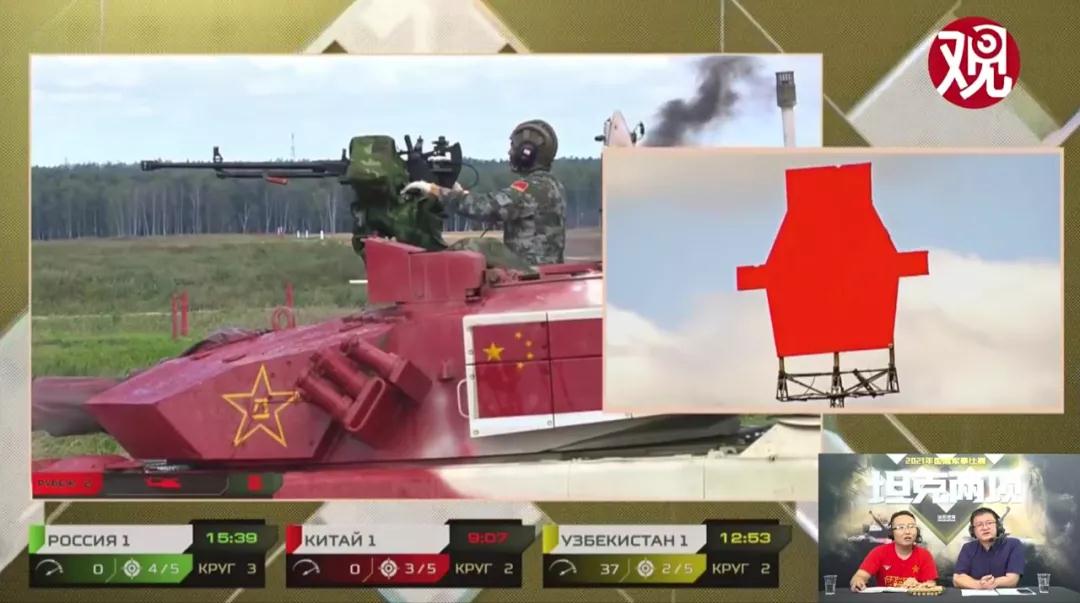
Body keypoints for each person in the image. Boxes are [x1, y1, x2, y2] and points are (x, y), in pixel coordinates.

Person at [401, 119, 567, 267]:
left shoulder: (532, 187)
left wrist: (435, 191)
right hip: (541, 269)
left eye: (513, 147)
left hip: (529, 271)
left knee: (468, 248)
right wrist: (458, 193)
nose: (510, 152)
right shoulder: (551, 184)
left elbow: (488, 207)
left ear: (527, 154)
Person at [850, 510, 939, 591]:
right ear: (892, 532)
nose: (907, 532)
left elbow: (930, 584)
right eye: (901, 527)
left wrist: (917, 585)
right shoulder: (879, 552)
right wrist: (858, 582)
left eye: (911, 527)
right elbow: (859, 576)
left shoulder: (925, 555)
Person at [953, 508, 1025, 589]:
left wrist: (992, 583)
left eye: (989, 523)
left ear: (998, 526)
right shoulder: (968, 548)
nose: (985, 528)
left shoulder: (1013, 544)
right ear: (973, 531)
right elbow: (958, 578)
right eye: (979, 525)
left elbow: (1012, 580)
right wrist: (979, 584)